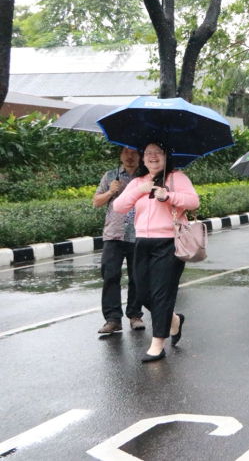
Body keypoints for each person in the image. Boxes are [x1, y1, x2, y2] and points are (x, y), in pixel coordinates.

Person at [113, 142, 199, 363]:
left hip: (169, 242)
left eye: (158, 153)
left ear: (166, 156)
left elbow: (193, 201)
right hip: (141, 241)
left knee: (161, 294)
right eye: (148, 154)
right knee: (142, 293)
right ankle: (173, 320)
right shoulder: (138, 182)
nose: (152, 157)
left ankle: (157, 345)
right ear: (143, 159)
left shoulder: (176, 177)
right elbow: (119, 207)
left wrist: (168, 196)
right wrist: (138, 191)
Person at [93, 146, 144, 334]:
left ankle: (135, 315)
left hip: (138, 234)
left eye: (134, 153)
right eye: (125, 152)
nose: (129, 156)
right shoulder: (110, 176)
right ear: (120, 155)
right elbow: (96, 202)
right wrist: (110, 192)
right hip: (113, 234)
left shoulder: (145, 177)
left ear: (140, 156)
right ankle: (113, 319)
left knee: (137, 276)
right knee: (110, 275)